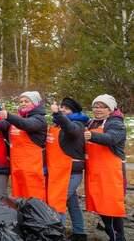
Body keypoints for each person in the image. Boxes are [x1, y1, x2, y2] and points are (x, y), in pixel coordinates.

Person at [84, 94, 126, 241]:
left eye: (102, 107)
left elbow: (111, 138)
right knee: (102, 209)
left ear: (110, 109)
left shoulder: (116, 123)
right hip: (95, 173)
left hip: (111, 175)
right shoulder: (93, 123)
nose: (98, 109)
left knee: (111, 210)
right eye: (96, 106)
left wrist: (91, 137)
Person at [47, 97, 88, 240]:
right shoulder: (58, 125)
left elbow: (71, 130)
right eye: (61, 107)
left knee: (58, 201)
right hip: (59, 170)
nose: (62, 109)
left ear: (74, 111)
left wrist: (57, 114)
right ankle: (80, 232)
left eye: (66, 108)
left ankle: (58, 234)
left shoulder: (78, 124)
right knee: (72, 203)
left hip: (72, 171)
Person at [0, 91, 47, 201]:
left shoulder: (39, 119)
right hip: (17, 166)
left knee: (33, 198)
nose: (23, 103)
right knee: (18, 197)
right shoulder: (19, 118)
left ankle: (36, 217)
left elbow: (27, 125)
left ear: (35, 103)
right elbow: (5, 125)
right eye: (21, 101)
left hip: (31, 168)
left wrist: (8, 116)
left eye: (26, 101)